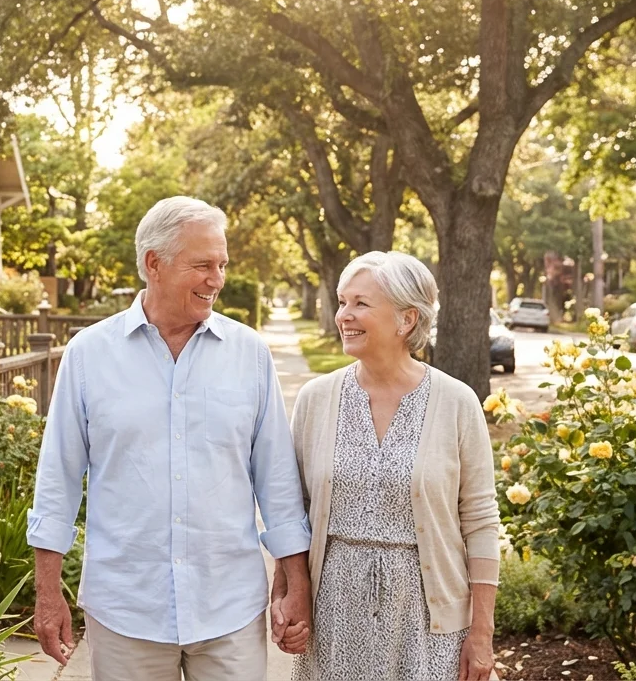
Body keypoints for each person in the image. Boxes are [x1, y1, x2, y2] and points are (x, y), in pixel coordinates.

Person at [29, 196, 313, 680]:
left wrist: (296, 582)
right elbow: (56, 479)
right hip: (126, 608)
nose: (217, 279)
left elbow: (278, 484)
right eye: (202, 265)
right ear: (153, 264)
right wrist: (48, 593)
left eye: (222, 264)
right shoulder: (89, 355)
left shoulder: (250, 355)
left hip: (229, 607)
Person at [282, 251, 500, 681]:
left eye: (360, 303)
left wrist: (482, 632)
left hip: (427, 620)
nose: (344, 314)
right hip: (335, 618)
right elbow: (294, 509)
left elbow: (480, 520)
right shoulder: (316, 399)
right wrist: (287, 593)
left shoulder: (457, 402)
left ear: (406, 320)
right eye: (343, 301)